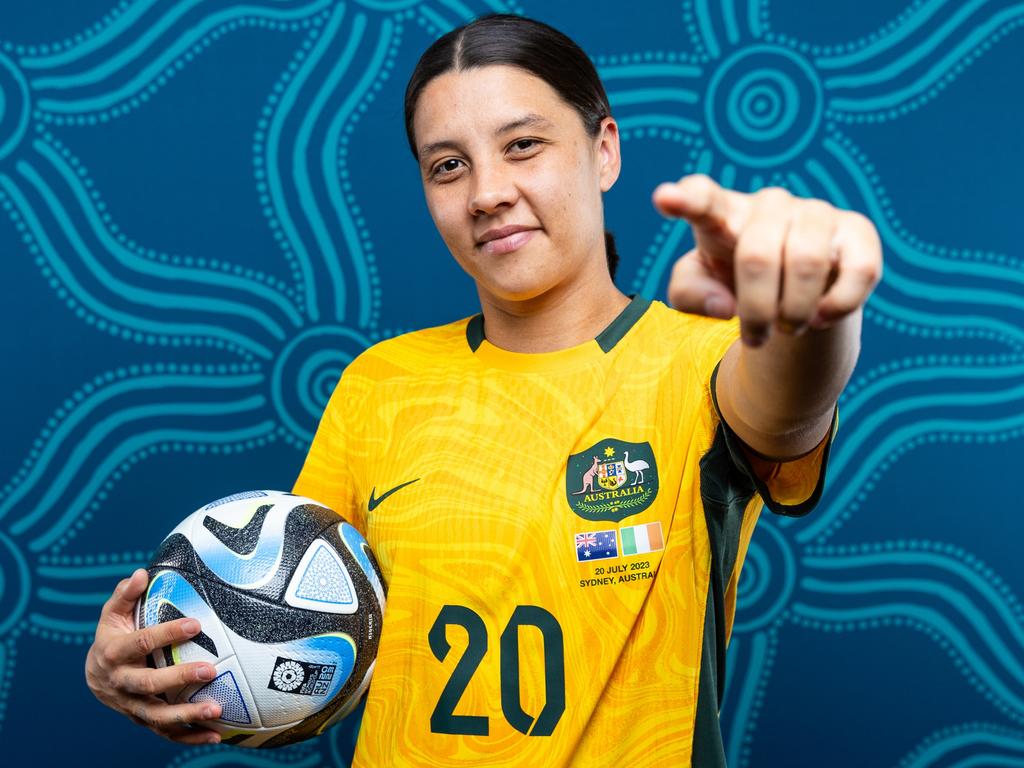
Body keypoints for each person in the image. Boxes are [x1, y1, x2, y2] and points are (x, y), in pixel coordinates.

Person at [85, 13, 881, 766]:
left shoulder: (702, 363)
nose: (485, 192)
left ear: (604, 149)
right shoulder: (381, 385)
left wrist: (816, 307)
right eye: (448, 165)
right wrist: (173, 672)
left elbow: (792, 399)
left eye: (524, 145)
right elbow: (308, 655)